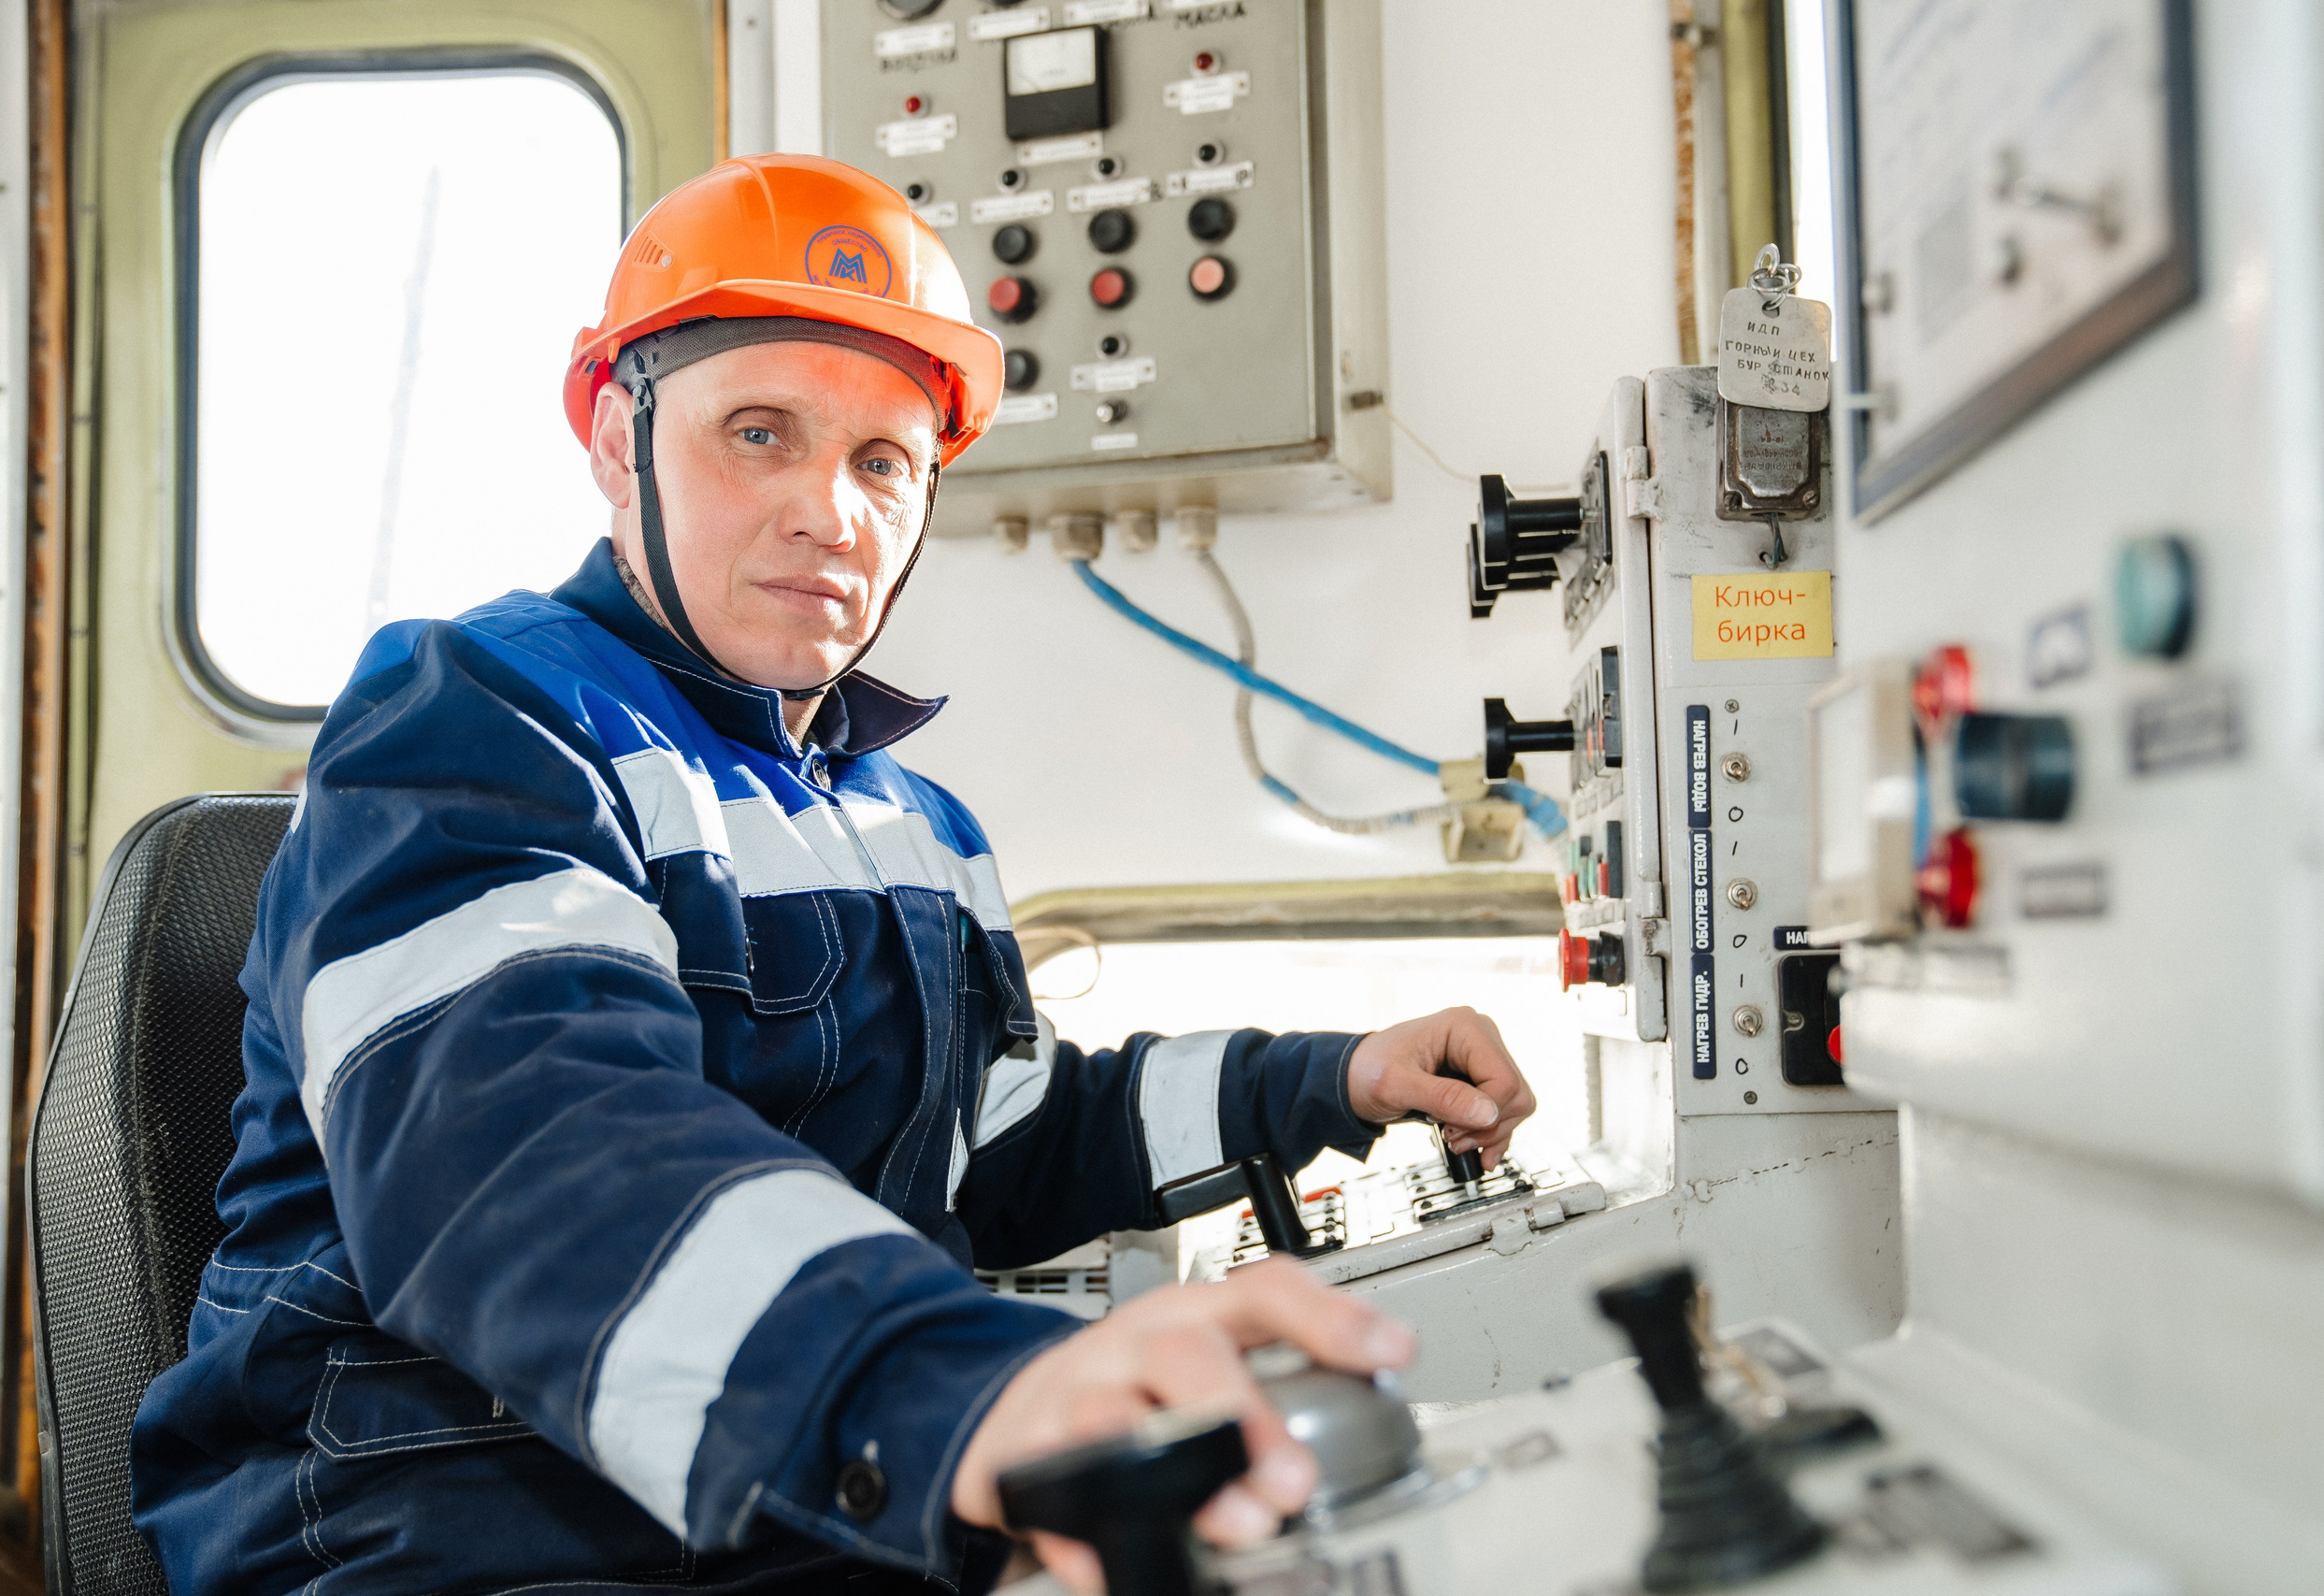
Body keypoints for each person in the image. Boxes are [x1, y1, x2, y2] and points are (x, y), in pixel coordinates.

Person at [130, 154, 1535, 1595]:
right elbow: (526, 1148)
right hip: (444, 1518)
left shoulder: (909, 820)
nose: (832, 513)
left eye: (883, 463)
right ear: (620, 442)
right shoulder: (475, 717)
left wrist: (1328, 1080)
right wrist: (947, 1386)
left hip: (774, 1506)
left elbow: (1012, 1140)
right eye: (759, 433)